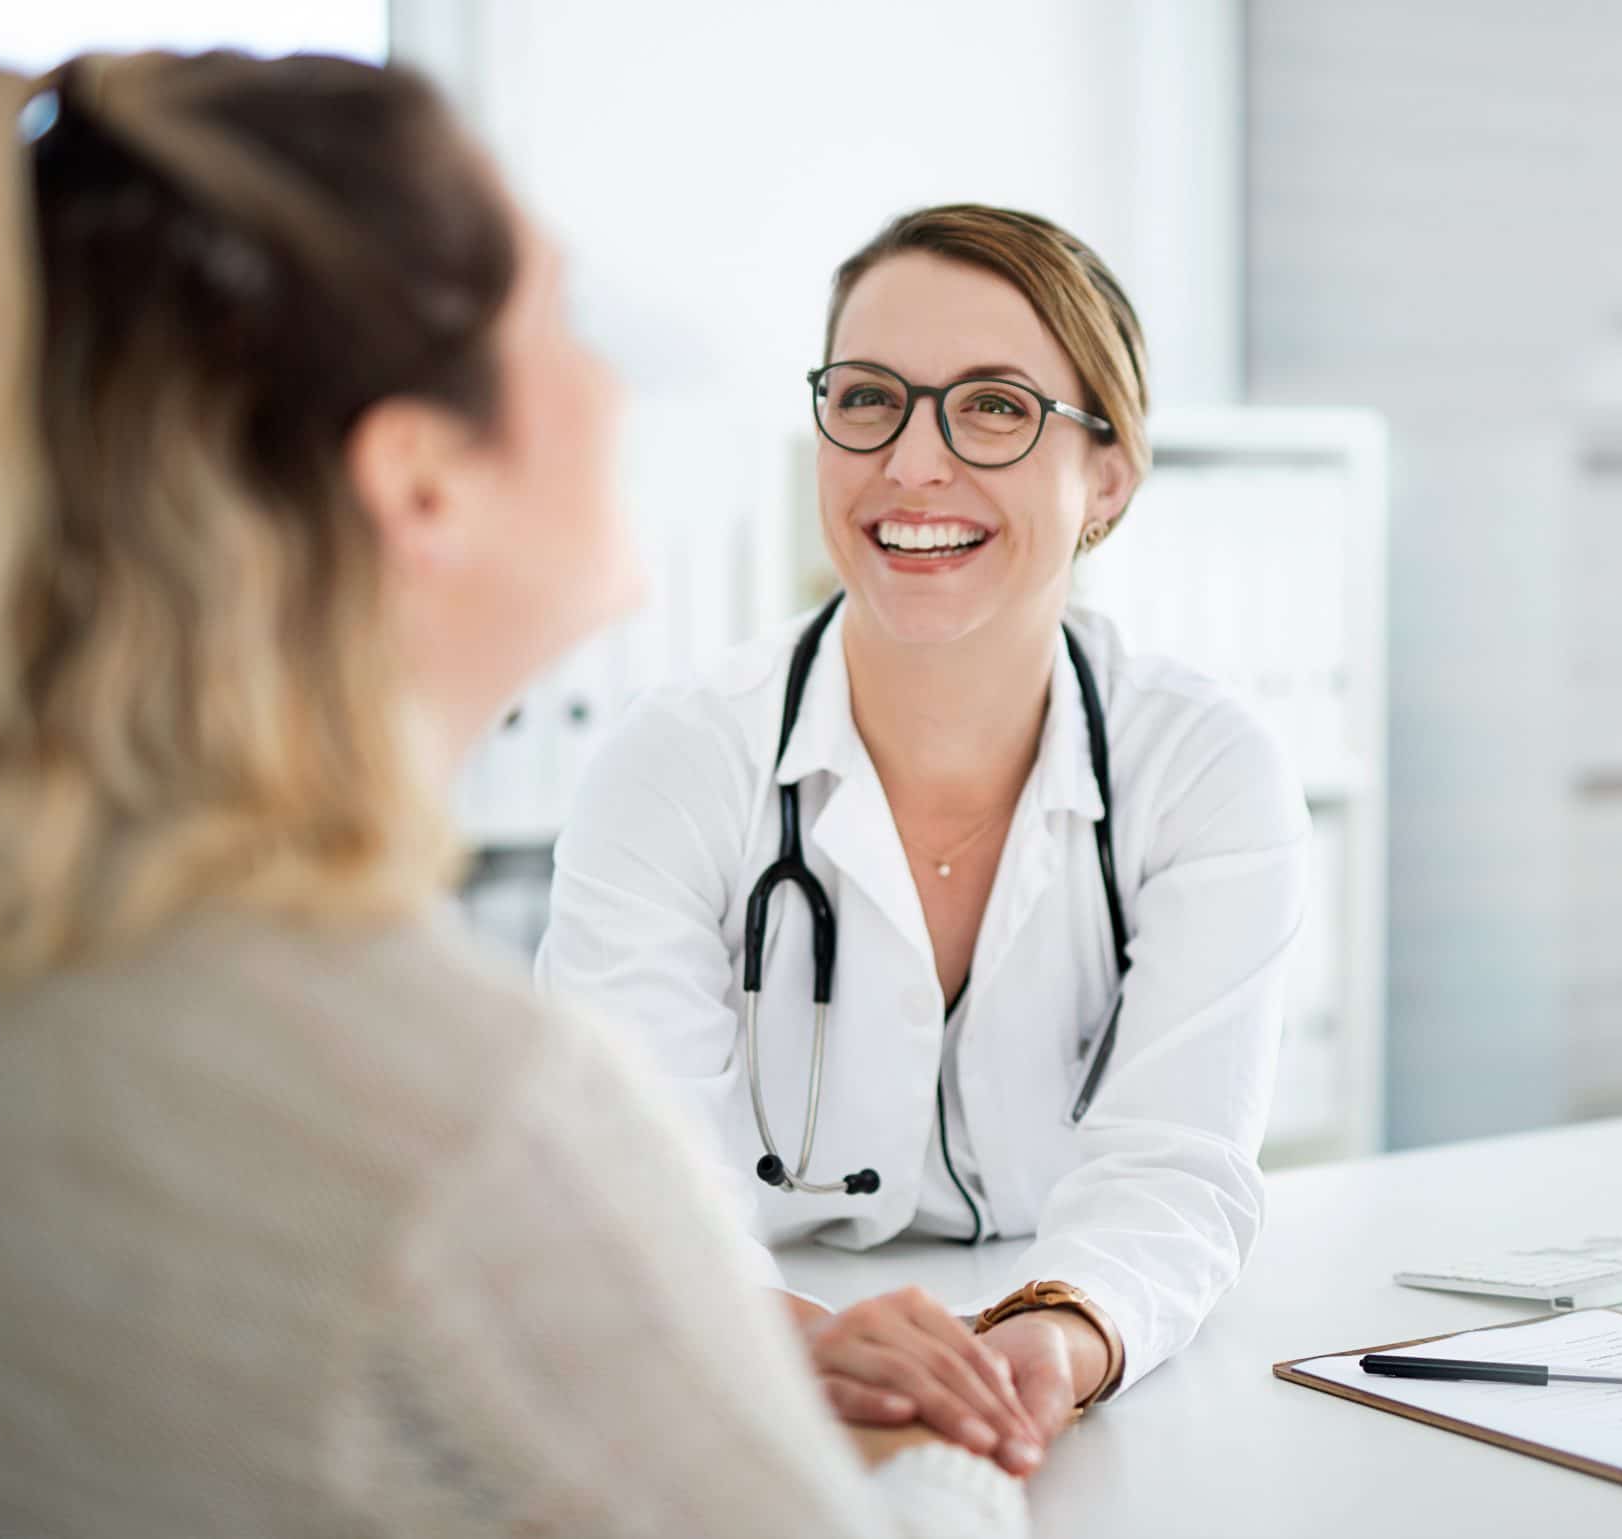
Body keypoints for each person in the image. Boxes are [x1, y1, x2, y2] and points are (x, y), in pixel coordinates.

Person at [0, 52, 1020, 1538]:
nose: (611, 382)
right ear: (427, 483)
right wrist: (968, 1462)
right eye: (558, 319)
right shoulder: (458, 1121)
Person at [536, 204, 1311, 1472]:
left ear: (1107, 474)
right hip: (722, 1408)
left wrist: (1060, 1335)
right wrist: (780, 1338)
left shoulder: (1207, 773)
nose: (912, 464)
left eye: (995, 407)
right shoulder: (672, 765)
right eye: (868, 398)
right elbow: (623, 1192)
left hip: (1063, 1411)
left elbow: (1177, 1162)